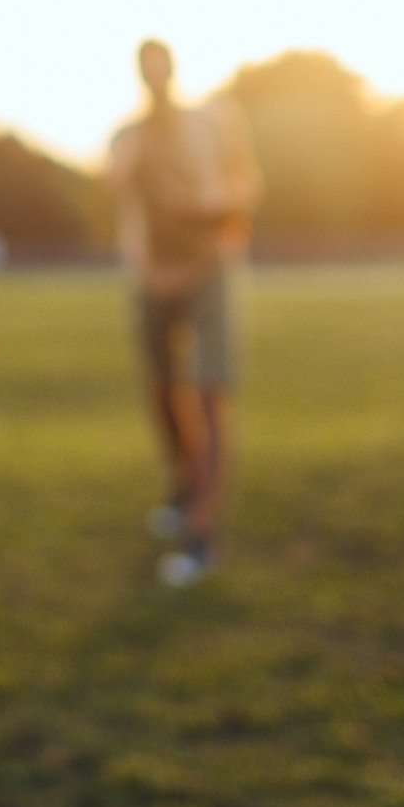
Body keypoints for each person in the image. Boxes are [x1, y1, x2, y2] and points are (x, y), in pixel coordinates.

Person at [107, 39, 259, 586]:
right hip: (153, 275)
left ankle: (201, 531)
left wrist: (216, 208)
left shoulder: (215, 122)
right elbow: (116, 189)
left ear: (171, 68)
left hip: (207, 268)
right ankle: (183, 480)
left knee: (210, 392)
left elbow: (245, 184)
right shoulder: (129, 136)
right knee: (162, 391)